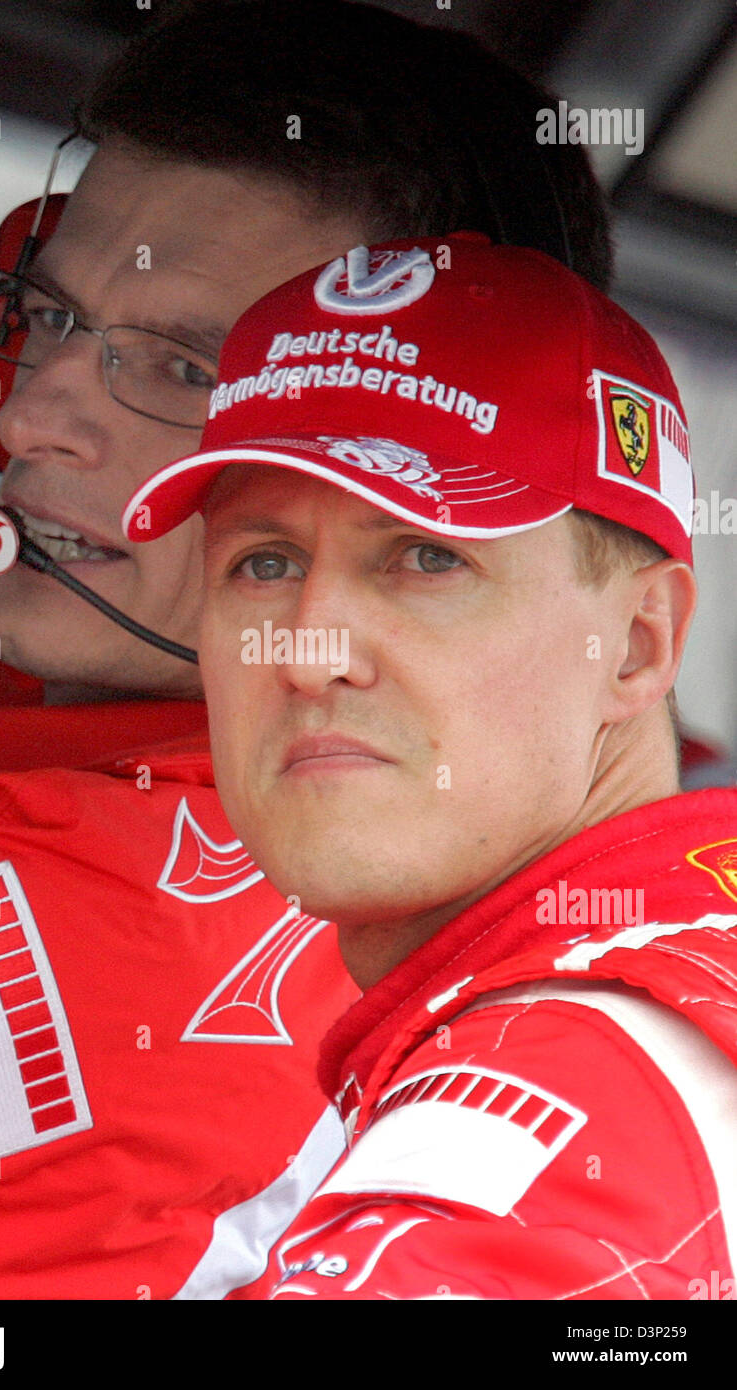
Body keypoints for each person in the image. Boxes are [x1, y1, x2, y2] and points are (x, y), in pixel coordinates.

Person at [0, 6, 612, 1299]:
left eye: (181, 369)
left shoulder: (91, 946)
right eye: (46, 313)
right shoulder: (56, 722)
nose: (35, 410)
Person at [128, 233, 737, 1300]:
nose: (310, 651)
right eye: (261, 563)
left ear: (634, 645)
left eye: (424, 557)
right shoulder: (680, 961)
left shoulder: (541, 1121)